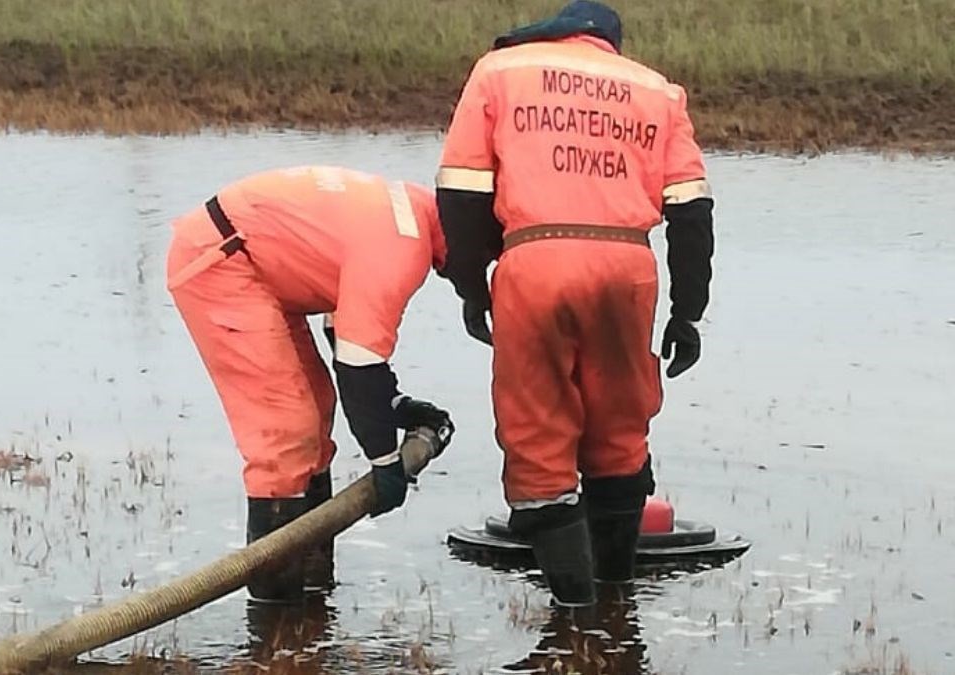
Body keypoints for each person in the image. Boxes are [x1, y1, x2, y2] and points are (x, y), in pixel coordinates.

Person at [436, 0, 714, 606]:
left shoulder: (500, 70)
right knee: (619, 429)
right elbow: (691, 212)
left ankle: (575, 616)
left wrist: (469, 282)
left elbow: (460, 190)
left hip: (534, 258)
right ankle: (615, 601)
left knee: (536, 434)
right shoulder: (656, 90)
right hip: (627, 266)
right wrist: (688, 311)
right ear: (609, 43)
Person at [166, 165, 455, 603]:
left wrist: (392, 404)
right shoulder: (403, 247)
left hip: (252, 261)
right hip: (221, 258)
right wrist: (385, 462)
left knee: (317, 403)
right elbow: (359, 368)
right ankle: (277, 613)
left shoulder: (413, 211)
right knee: (286, 430)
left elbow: (348, 340)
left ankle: (313, 589)